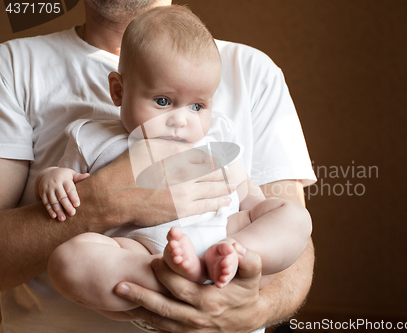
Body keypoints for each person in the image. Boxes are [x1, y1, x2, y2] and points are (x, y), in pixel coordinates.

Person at [0, 0, 316, 332]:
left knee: (293, 218)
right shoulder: (86, 131)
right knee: (70, 260)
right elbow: (69, 176)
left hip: (221, 237)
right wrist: (72, 189)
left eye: (197, 106)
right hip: (138, 249)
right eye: (163, 102)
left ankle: (232, 257)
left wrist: (255, 308)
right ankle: (159, 283)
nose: (180, 120)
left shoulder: (235, 103)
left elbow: (254, 202)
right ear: (118, 91)